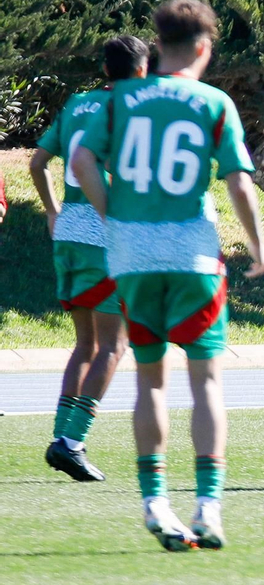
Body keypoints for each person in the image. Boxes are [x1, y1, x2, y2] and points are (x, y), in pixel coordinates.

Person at [72, 0, 264, 552]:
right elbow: (237, 182)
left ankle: (154, 499)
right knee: (205, 380)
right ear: (204, 48)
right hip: (192, 256)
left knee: (150, 379)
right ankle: (208, 506)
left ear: (156, 47)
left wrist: (115, 213)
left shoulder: (121, 100)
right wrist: (259, 244)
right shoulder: (213, 101)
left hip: (133, 258)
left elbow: (83, 162)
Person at [29, 35, 149, 481]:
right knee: (115, 345)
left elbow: (37, 163)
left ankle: (61, 437)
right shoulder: (130, 109)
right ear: (141, 71)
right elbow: (125, 170)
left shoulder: (78, 103)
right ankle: (73, 441)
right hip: (106, 235)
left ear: (104, 69)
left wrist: (51, 211)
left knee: (85, 344)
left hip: (69, 233)